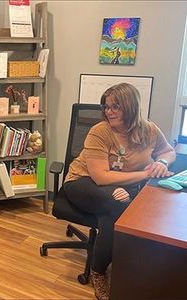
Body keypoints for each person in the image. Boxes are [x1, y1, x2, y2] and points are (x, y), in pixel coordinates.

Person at [62, 83, 176, 300]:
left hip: (122, 186)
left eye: (116, 107)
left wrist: (161, 162)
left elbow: (168, 151)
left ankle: (118, 261)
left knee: (115, 212)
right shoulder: (100, 131)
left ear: (131, 107)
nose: (109, 111)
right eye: (106, 106)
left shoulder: (149, 129)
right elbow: (101, 177)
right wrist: (146, 174)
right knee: (119, 206)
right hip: (82, 182)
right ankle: (98, 271)